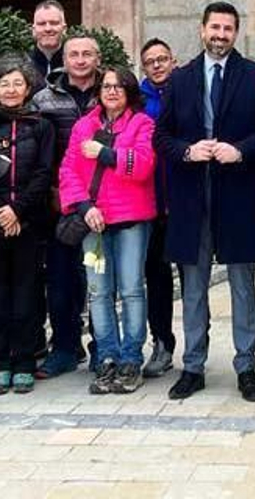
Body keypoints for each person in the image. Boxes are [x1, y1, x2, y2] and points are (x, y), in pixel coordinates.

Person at [154, 1, 255, 402]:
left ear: (236, 33)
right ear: (202, 29)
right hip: (193, 197)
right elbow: (161, 138)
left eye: (228, 28)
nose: (221, 35)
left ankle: (246, 366)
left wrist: (240, 150)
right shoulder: (180, 80)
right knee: (193, 288)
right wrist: (188, 151)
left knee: (243, 285)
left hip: (239, 195)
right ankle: (193, 366)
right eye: (215, 27)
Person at [62, 65, 159, 395]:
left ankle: (131, 357)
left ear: (130, 90)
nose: (112, 91)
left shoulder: (142, 123)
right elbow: (69, 172)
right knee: (99, 293)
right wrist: (85, 208)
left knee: (131, 289)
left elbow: (144, 165)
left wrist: (105, 153)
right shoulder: (83, 126)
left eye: (119, 86)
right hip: (94, 224)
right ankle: (106, 357)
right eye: (106, 86)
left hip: (131, 220)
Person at [0, 56, 54, 396]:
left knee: (26, 293)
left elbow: (44, 172)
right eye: (4, 83)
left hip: (29, 221)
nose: (11, 89)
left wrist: (17, 210)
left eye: (17, 83)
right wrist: (0, 212)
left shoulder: (41, 126)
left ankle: (24, 361)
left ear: (28, 87)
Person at [32, 34, 101, 378]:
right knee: (60, 279)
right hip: (60, 201)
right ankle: (64, 347)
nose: (80, 59)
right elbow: (36, 149)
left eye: (87, 53)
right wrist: (53, 190)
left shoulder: (112, 94)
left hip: (106, 202)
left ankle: (103, 346)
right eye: (74, 53)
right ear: (64, 57)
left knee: (102, 277)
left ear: (97, 59)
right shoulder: (43, 99)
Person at [138, 37, 178, 377]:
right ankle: (162, 342)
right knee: (156, 277)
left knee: (195, 278)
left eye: (162, 59)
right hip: (149, 203)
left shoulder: (188, 90)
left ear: (172, 61)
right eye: (150, 60)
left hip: (185, 198)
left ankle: (198, 348)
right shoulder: (135, 99)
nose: (157, 65)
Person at [29, 0, 69, 88]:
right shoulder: (23, 65)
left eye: (54, 23)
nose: (48, 29)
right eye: (42, 24)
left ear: (64, 29)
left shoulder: (75, 66)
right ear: (33, 30)